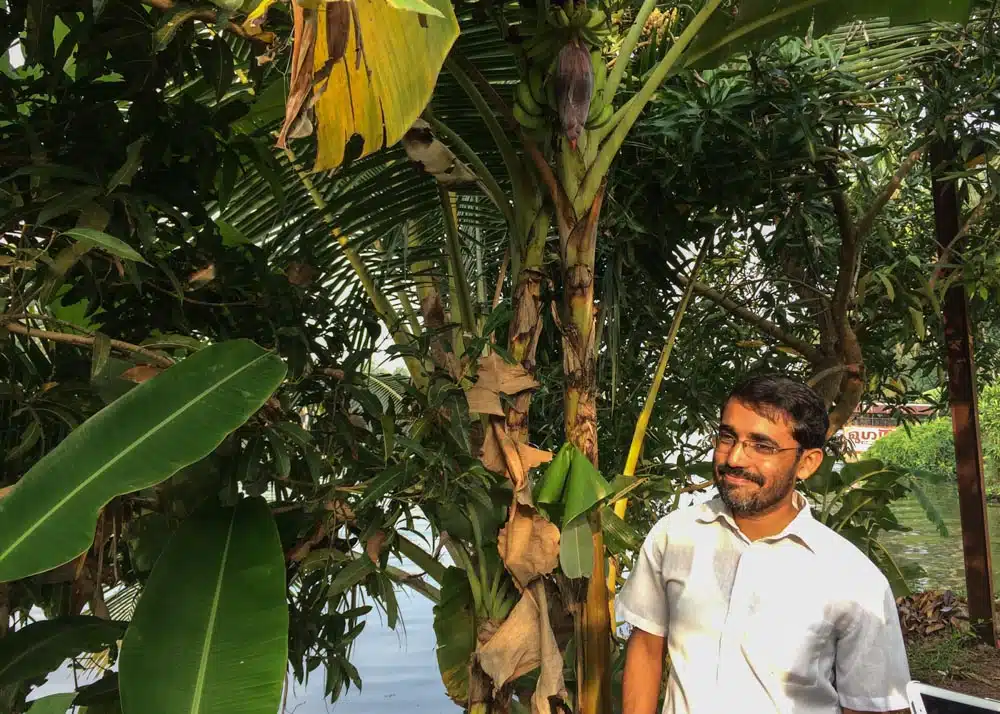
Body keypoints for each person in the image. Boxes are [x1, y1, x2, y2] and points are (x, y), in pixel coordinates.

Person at [617, 374, 911, 714]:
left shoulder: (854, 580)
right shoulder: (674, 537)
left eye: (763, 446)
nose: (735, 459)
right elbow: (647, 648)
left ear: (807, 463)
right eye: (728, 437)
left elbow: (873, 705)